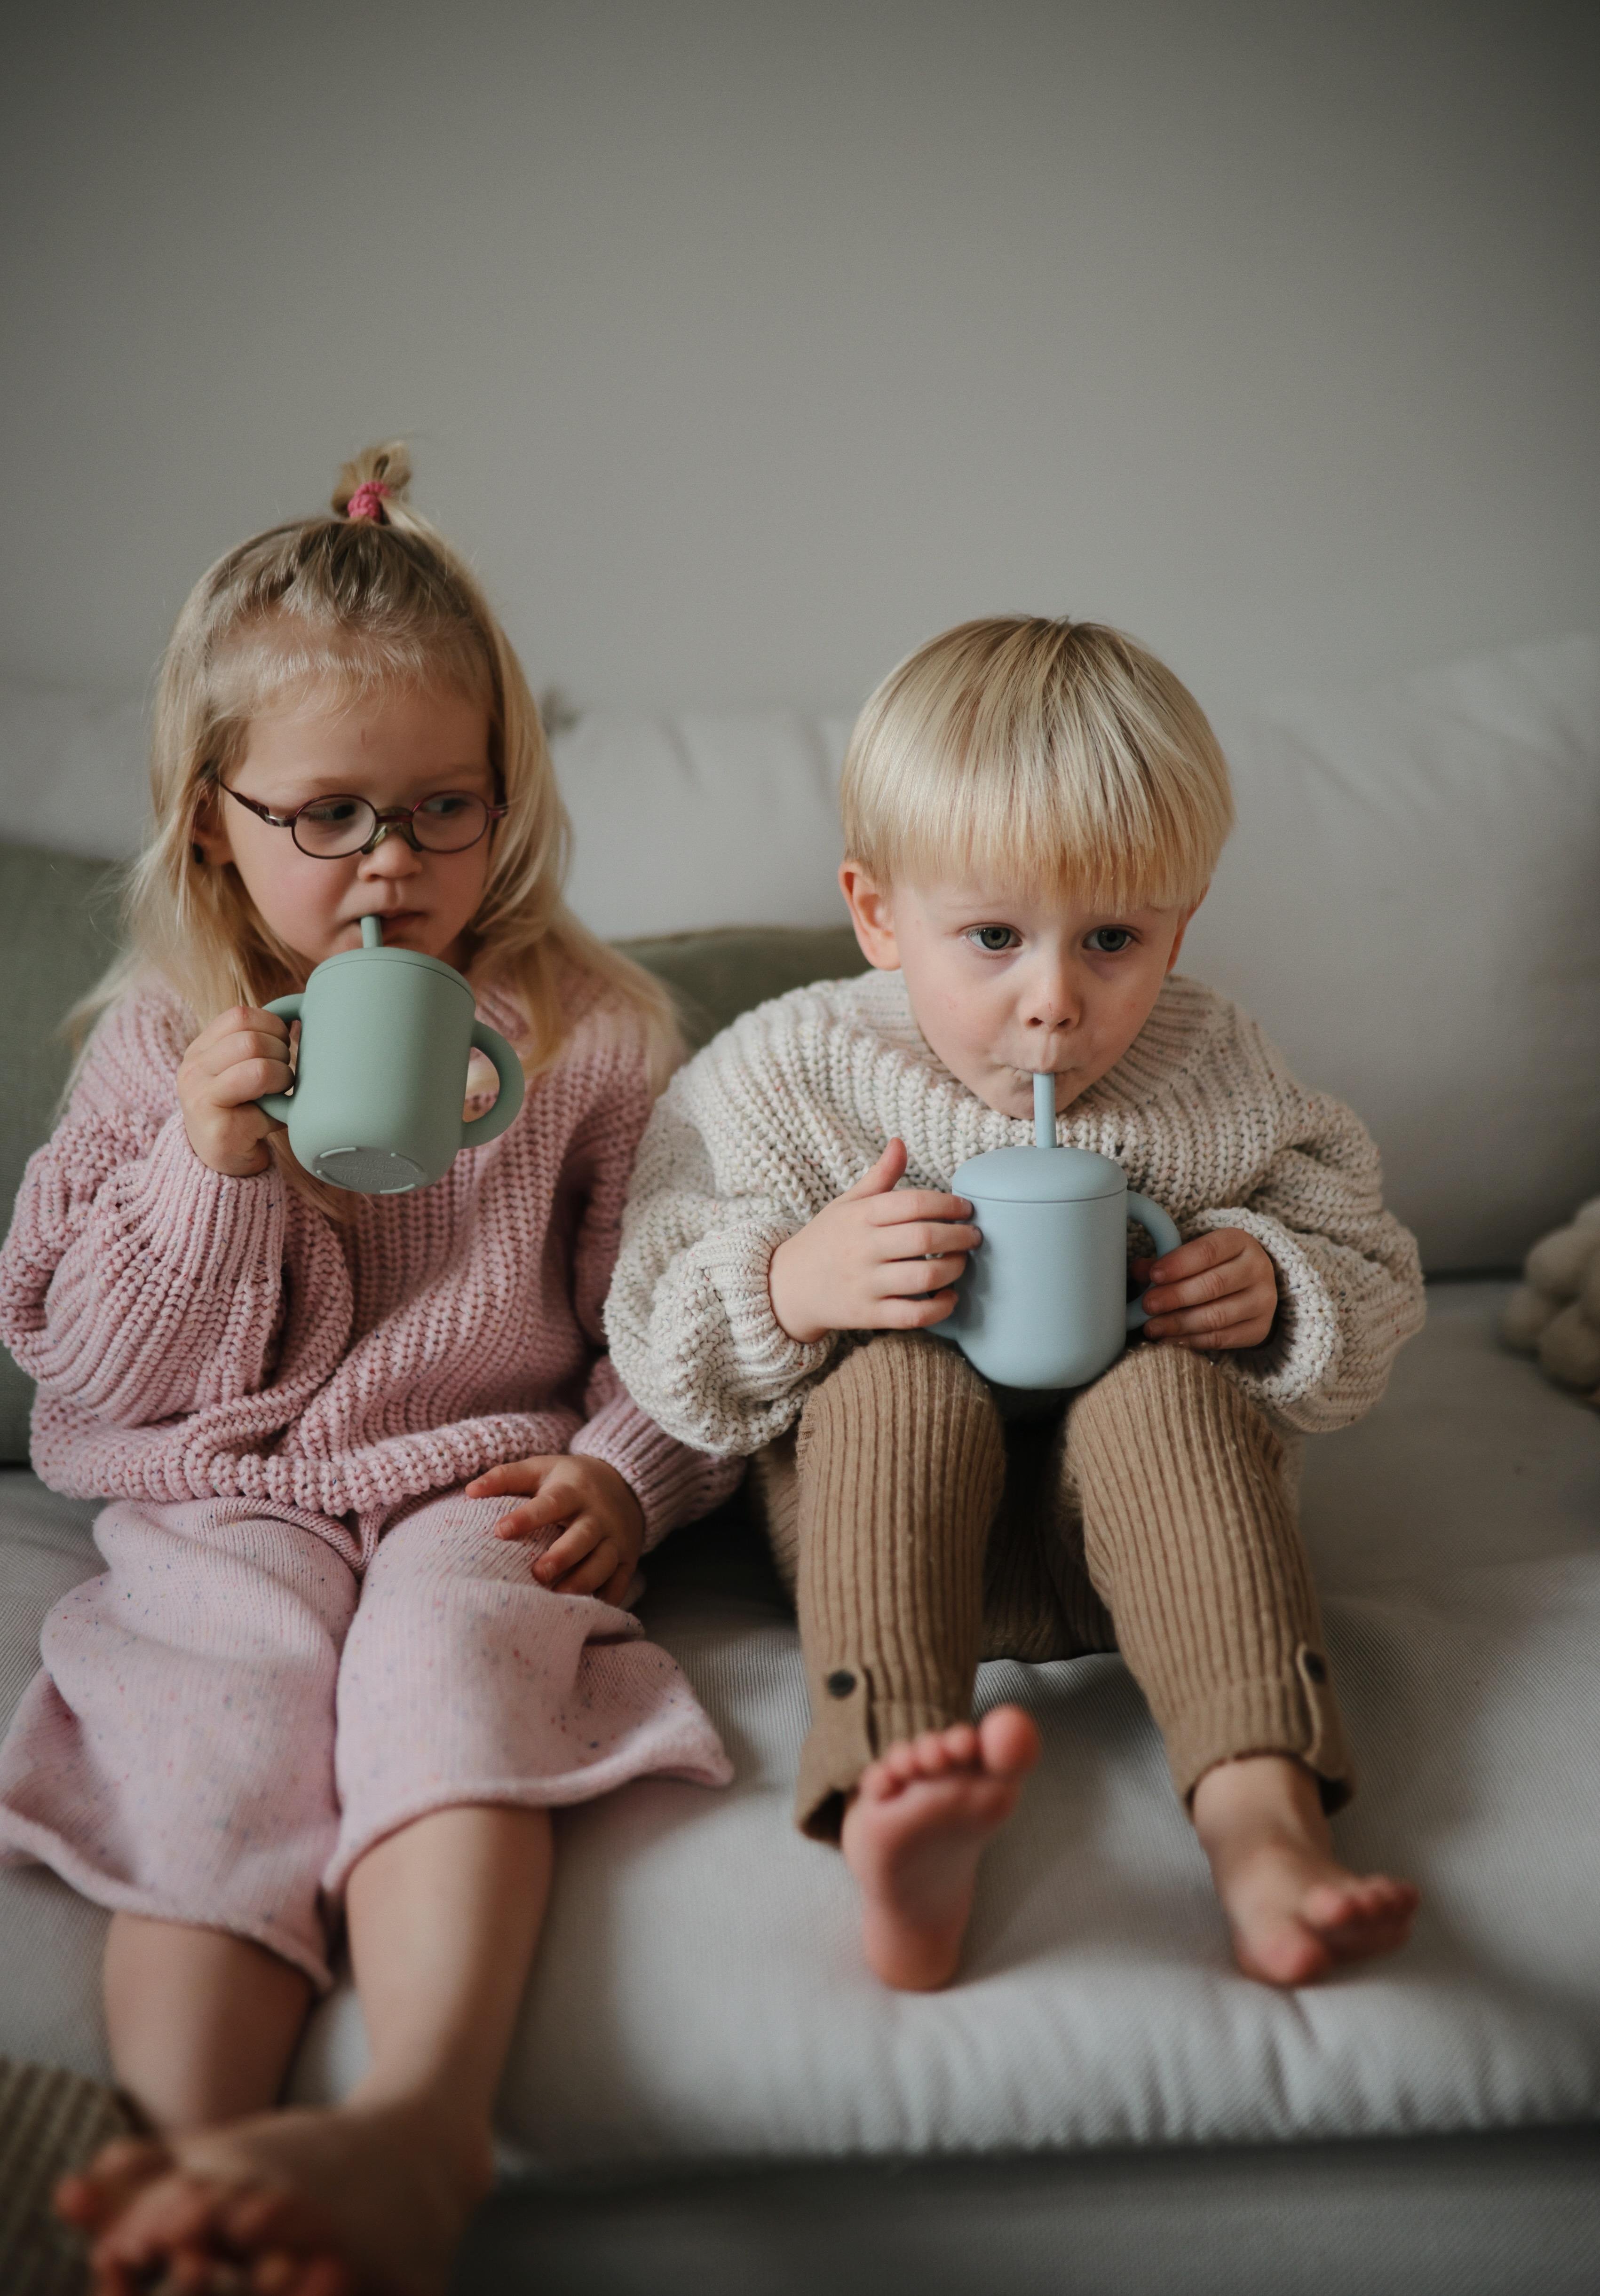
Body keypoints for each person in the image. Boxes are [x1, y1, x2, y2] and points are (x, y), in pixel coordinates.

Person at [0, 445, 737, 2295]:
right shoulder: (161, 1042)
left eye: (440, 809)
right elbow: (75, 1359)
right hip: (223, 1486)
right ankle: (189, 2171)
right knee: (214, 1709)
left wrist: (626, 1475)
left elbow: (683, 1308)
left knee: (454, 1653)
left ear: (506, 800)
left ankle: (420, 2124)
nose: (390, 864)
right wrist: (208, 1165)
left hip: (473, 1464)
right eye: (327, 815)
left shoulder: (590, 1037)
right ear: (211, 823)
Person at [607, 615, 1426, 1996]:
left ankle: (1266, 1827)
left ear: (1181, 921)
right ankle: (895, 1806)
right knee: (892, 1376)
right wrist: (792, 1284)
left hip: (1143, 1554)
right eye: (991, 937)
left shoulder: (1214, 1068)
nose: (1054, 1003)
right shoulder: (787, 1075)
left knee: (1166, 1387)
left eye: (1113, 938)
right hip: (897, 1536)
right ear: (878, 913)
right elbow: (651, 1321)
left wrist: (1272, 1283)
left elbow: (1373, 1260)